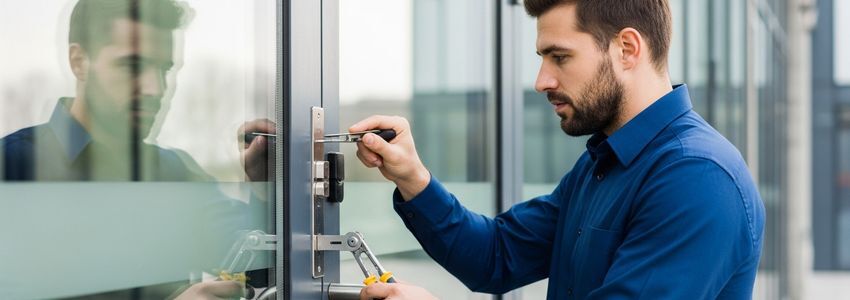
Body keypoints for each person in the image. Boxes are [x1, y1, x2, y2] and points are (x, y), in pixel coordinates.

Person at [353, 0, 765, 299]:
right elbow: (496, 256)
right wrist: (411, 177)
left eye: (560, 57)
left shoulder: (696, 177)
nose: (541, 80)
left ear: (627, 49)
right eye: (542, 57)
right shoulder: (600, 165)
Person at [0, 0, 272, 182]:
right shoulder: (11, 166)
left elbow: (251, 257)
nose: (155, 89)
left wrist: (262, 182)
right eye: (132, 66)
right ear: (79, 62)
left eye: (165, 69)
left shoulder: (175, 172)